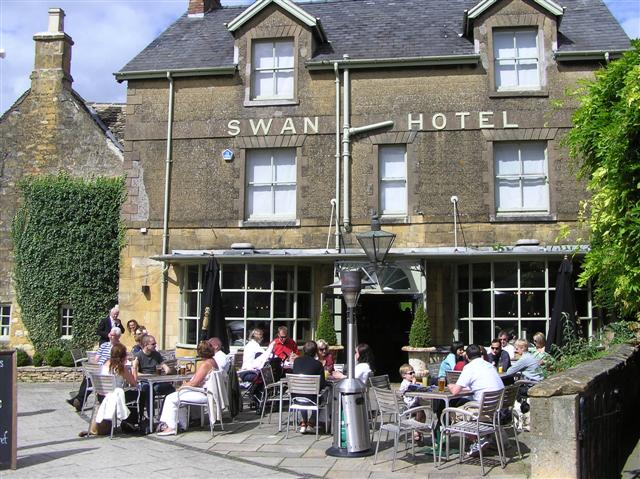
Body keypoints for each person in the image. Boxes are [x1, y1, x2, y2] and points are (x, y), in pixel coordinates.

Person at [448, 344, 505, 457]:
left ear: (467, 357)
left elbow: (455, 391)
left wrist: (449, 385)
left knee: (451, 412)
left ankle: (478, 440)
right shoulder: (490, 366)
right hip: (498, 408)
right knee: (467, 404)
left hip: (483, 411)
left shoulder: (469, 367)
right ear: (480, 355)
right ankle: (491, 440)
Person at [156, 341, 218, 436]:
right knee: (176, 396)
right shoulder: (213, 362)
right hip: (207, 392)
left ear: (199, 352)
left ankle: (171, 426)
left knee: (170, 398)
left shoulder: (206, 364)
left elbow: (195, 382)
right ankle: (182, 424)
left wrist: (182, 387)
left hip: (204, 394)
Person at [67, 327, 122, 411]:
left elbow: (119, 361)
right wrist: (93, 367)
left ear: (118, 336)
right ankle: (79, 400)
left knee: (91, 378)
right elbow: (96, 358)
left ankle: (79, 400)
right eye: (110, 334)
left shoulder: (119, 348)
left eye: (112, 335)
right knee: (88, 377)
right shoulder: (104, 345)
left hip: (109, 371)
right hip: (99, 369)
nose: (110, 336)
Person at [133, 335, 175, 427]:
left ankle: (162, 414)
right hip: (145, 382)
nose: (155, 345)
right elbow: (135, 372)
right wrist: (148, 376)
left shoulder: (156, 354)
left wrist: (167, 369)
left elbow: (164, 366)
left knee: (171, 389)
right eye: (153, 344)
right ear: (145, 345)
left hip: (157, 382)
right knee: (148, 390)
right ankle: (150, 418)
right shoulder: (139, 356)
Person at [292, 341, 326, 434]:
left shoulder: (296, 361)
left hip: (296, 398)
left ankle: (303, 423)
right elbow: (322, 383)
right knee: (323, 396)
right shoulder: (318, 364)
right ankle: (311, 423)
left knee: (302, 392)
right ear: (315, 351)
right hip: (312, 398)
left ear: (303, 350)